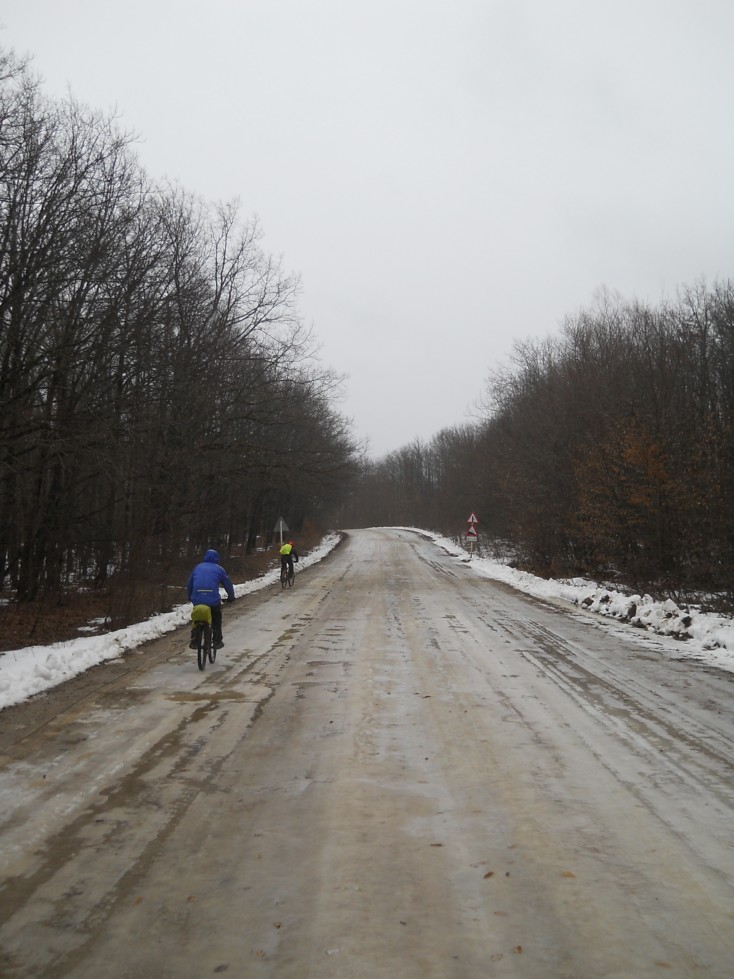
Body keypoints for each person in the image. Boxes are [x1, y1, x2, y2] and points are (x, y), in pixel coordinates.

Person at [187, 549, 235, 649]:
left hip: (197, 598)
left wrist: (190, 597)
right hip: (212, 600)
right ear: (217, 559)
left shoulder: (197, 567)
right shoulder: (219, 569)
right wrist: (231, 597)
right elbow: (228, 584)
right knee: (216, 617)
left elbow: (189, 584)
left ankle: (195, 640)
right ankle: (217, 641)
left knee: (197, 617)